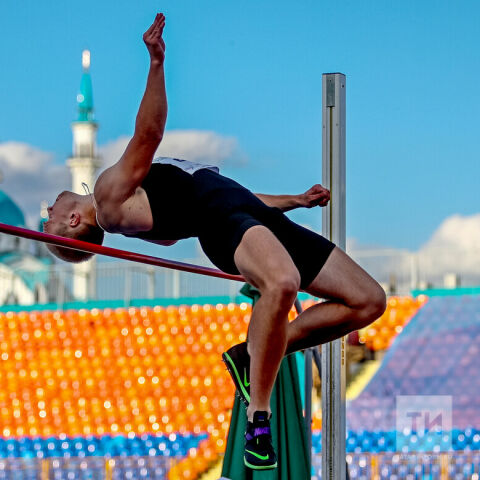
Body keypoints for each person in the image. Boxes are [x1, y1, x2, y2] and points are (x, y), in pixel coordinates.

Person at [43, 13, 386, 470]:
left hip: (252, 216)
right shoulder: (109, 198)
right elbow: (150, 136)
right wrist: (156, 64)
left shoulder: (134, 205)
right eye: (48, 220)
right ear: (71, 220)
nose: (46, 208)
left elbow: (228, 195)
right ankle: (258, 415)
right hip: (228, 227)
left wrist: (294, 201)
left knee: (368, 301)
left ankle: (256, 351)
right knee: (281, 283)